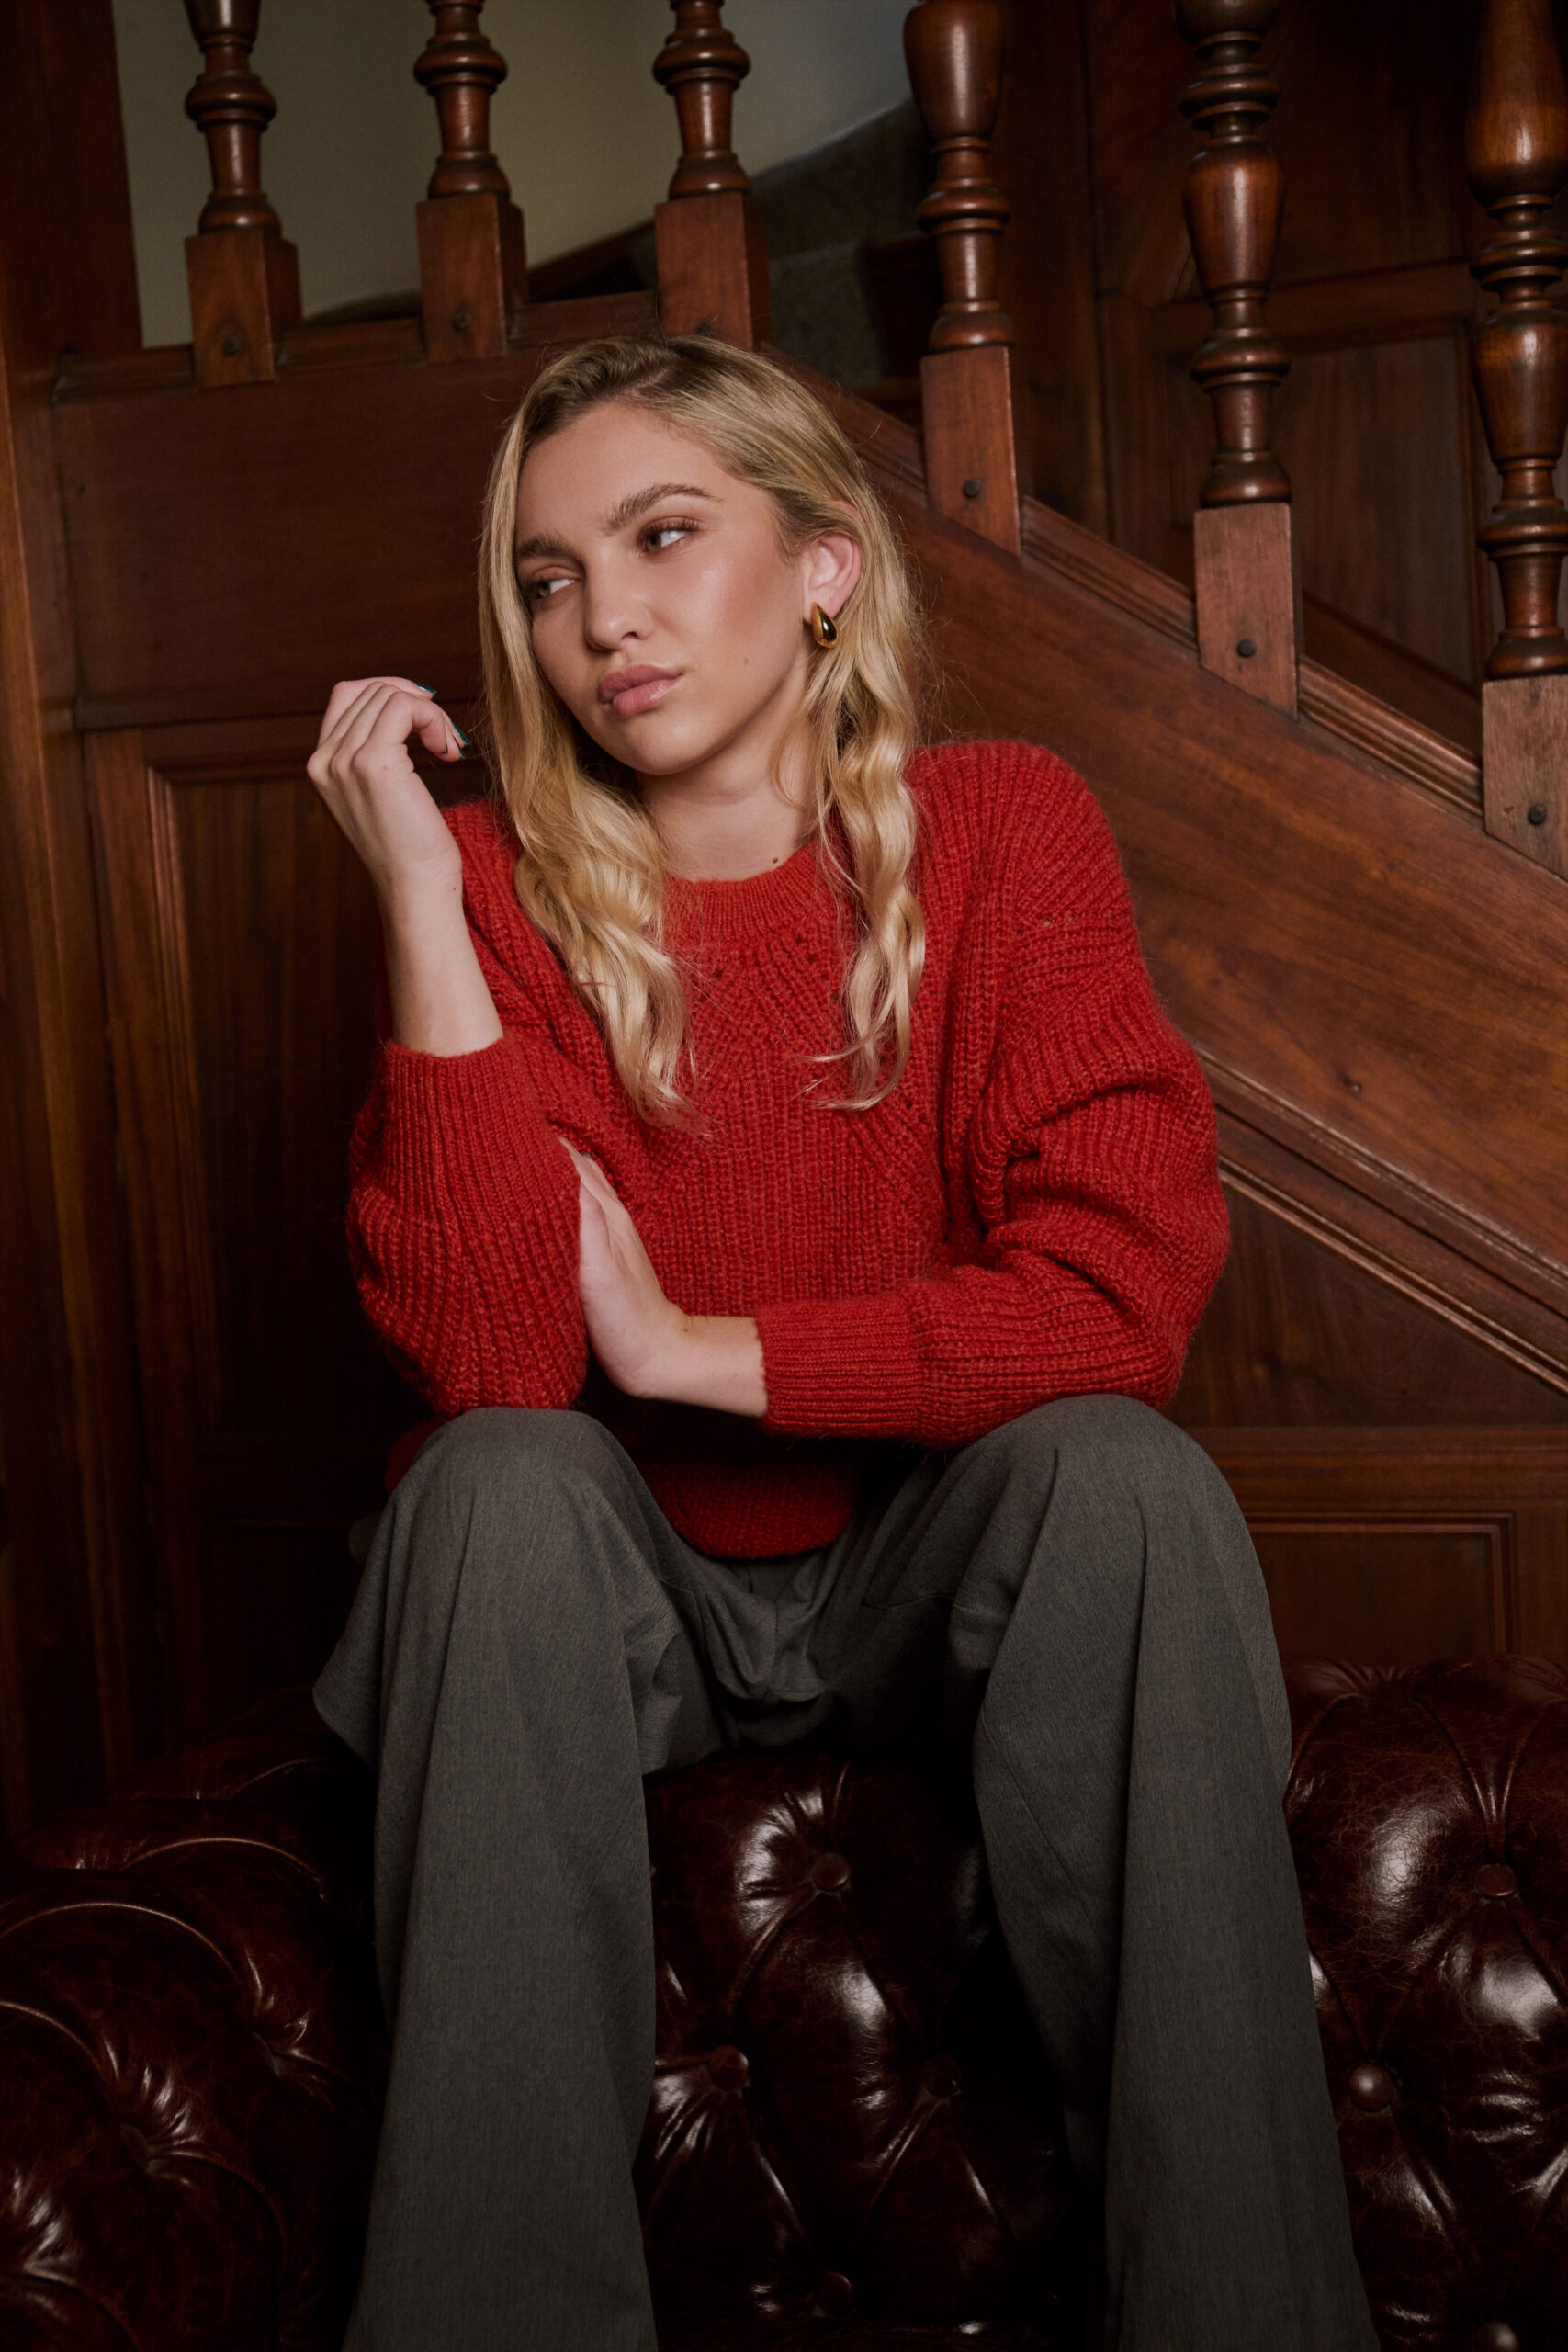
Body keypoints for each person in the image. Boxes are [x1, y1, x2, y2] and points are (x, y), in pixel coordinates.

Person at [308, 334, 1376, 2352]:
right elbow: (488, 1362)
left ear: (822, 566)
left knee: (1124, 1479)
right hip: (613, 1594)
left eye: (662, 535)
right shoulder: (493, 892)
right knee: (492, 1481)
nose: (601, 618)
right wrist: (426, 910)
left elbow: (1119, 1297)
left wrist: (702, 1351)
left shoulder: (1002, 832)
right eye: (547, 577)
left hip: (918, 1565)